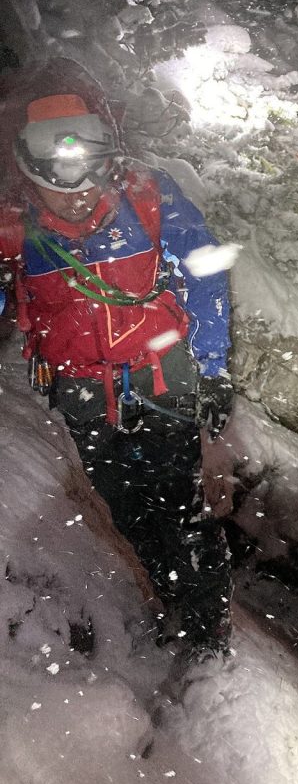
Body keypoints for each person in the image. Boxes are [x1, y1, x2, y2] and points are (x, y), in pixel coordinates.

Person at [0, 59, 235, 658]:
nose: (73, 186)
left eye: (85, 164)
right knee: (128, 511)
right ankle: (175, 593)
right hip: (81, 395)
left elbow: (204, 269)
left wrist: (211, 367)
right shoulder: (15, 225)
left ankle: (205, 626)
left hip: (162, 384)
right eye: (53, 170)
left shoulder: (147, 195)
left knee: (177, 507)